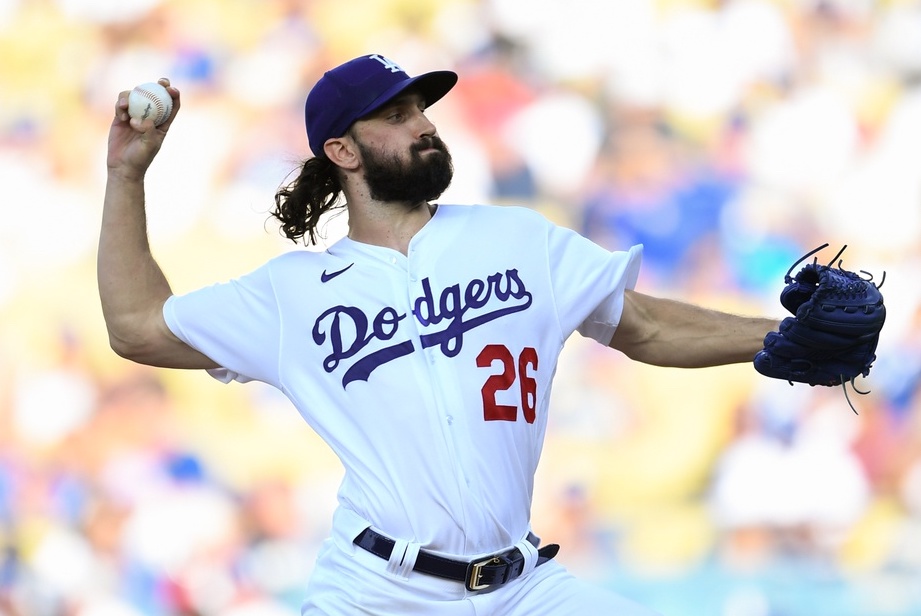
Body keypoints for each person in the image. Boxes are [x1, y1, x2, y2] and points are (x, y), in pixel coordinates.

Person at [99, 53, 781, 615]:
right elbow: (135, 329)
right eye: (396, 116)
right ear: (343, 150)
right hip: (374, 592)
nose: (423, 125)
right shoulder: (291, 294)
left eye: (422, 110)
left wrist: (780, 336)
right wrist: (126, 175)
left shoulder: (516, 237)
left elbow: (646, 326)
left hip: (523, 589)